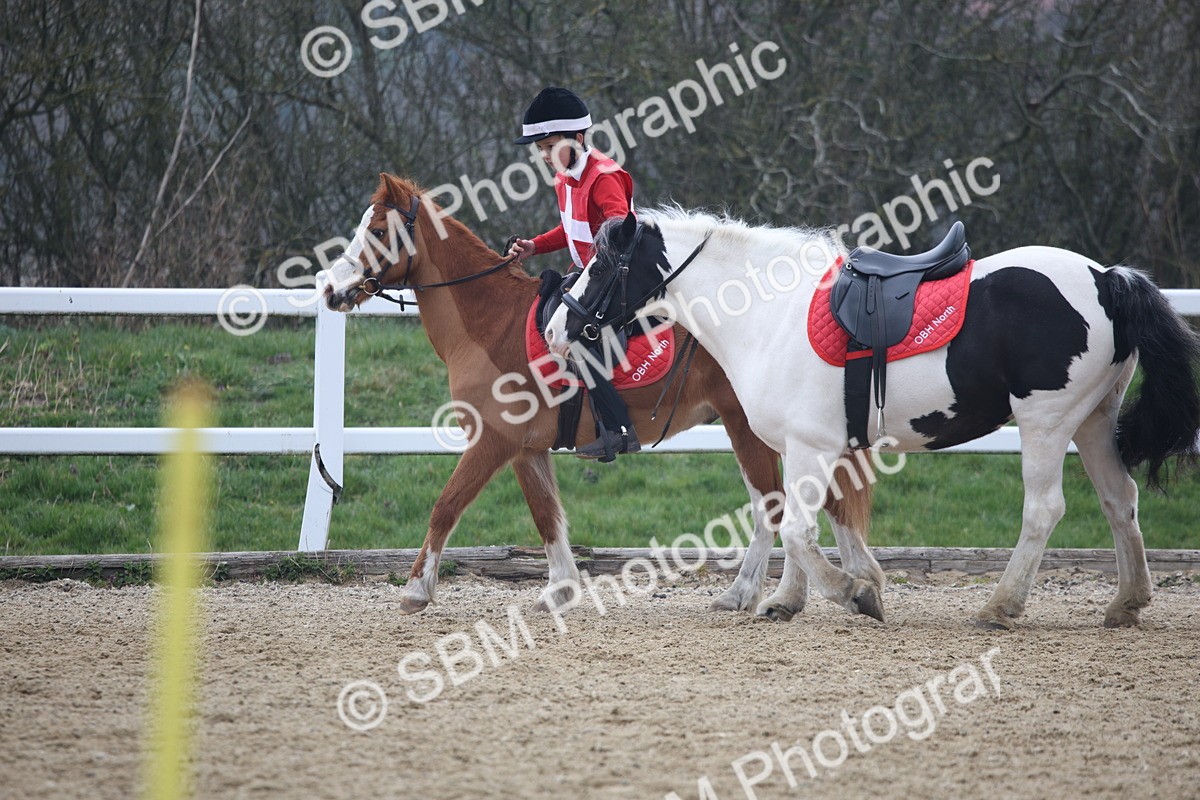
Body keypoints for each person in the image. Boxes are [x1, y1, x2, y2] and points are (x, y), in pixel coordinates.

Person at [508, 87, 641, 462]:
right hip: (589, 275)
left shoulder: (604, 177)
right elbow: (571, 229)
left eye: (550, 147)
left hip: (617, 278)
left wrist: (592, 273)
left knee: (576, 334)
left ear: (578, 138)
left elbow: (620, 234)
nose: (546, 157)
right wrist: (535, 245)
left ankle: (617, 430)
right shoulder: (564, 178)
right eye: (542, 150)